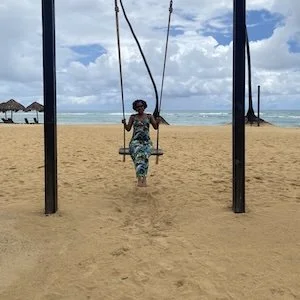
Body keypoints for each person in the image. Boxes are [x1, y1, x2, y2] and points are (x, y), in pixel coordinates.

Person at [122, 99, 160, 187]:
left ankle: (144, 178)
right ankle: (140, 178)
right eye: (138, 106)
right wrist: (124, 124)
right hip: (135, 141)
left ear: (144, 106)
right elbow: (128, 129)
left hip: (146, 142)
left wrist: (158, 122)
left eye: (141, 106)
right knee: (138, 155)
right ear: (135, 108)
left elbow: (155, 127)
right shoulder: (133, 117)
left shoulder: (149, 116)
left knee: (145, 155)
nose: (140, 108)